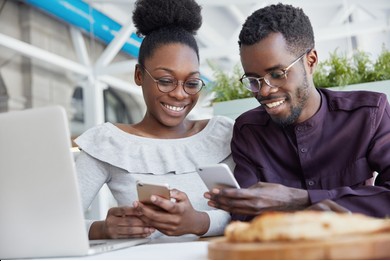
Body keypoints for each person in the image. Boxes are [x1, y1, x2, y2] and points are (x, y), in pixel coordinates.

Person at [205, 3, 390, 220]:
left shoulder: (368, 114)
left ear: (310, 61)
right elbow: (245, 215)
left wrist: (299, 199)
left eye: (277, 73)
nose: (264, 91)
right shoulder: (249, 131)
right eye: (253, 80)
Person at [74, 0, 234, 240]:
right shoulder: (108, 143)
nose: (180, 94)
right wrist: (102, 229)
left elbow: (252, 212)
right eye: (166, 80)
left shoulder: (223, 134)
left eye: (191, 83)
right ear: (139, 75)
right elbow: (54, 223)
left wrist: (199, 222)